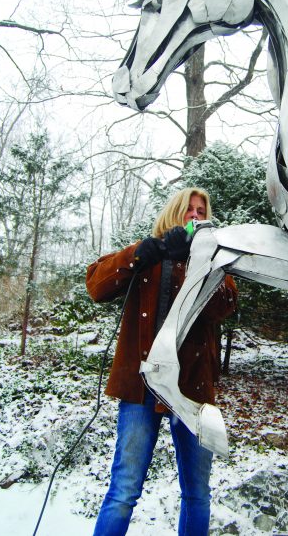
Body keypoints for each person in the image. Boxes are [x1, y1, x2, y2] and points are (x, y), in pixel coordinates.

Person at [86, 187, 237, 536]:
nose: (196, 216)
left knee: (197, 493)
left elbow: (225, 307)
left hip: (191, 391)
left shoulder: (214, 261)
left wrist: (208, 263)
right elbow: (96, 285)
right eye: (189, 210)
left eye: (202, 210)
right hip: (142, 388)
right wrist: (146, 252)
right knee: (124, 491)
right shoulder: (148, 254)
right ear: (175, 213)